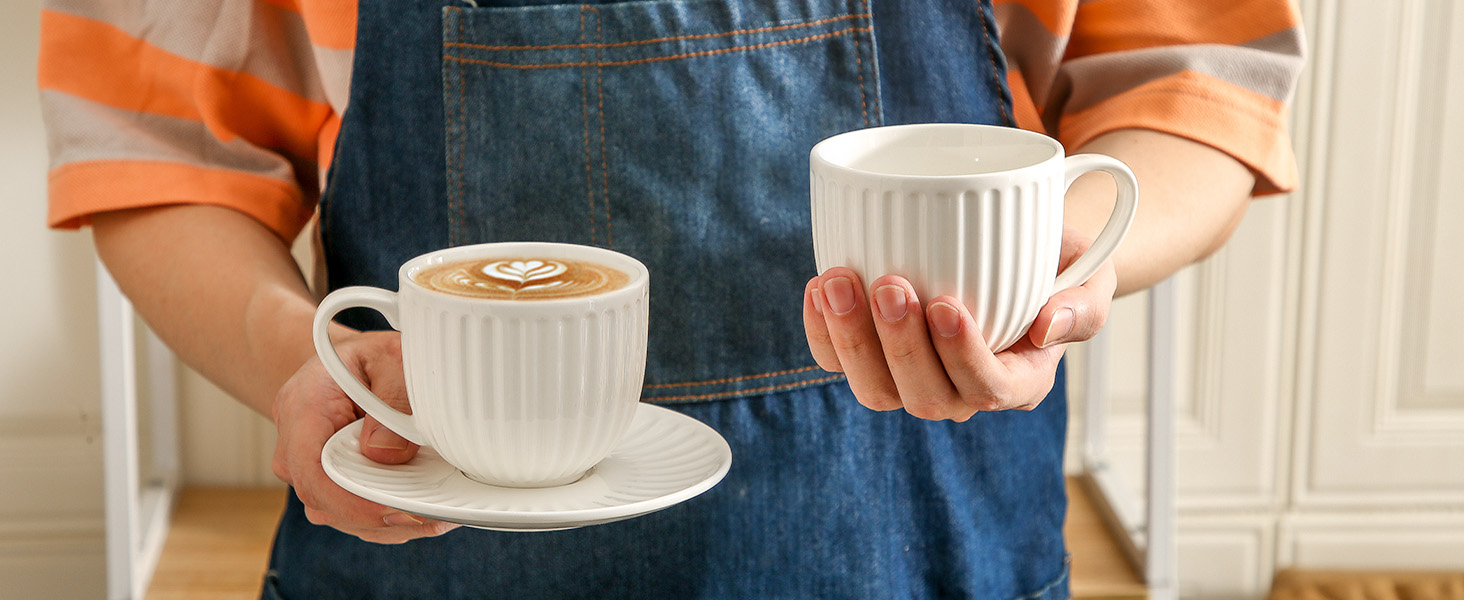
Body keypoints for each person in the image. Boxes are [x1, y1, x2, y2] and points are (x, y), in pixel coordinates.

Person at [40, 0, 1303, 597]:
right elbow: (164, 155)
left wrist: (1044, 273)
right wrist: (291, 357)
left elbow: (1189, 84)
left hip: (916, 551)